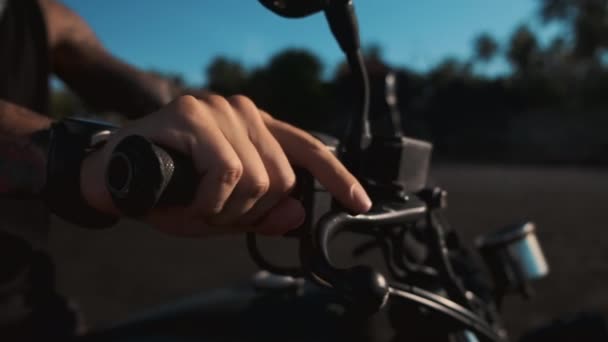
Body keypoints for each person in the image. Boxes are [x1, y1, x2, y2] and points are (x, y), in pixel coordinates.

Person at [0, 0, 372, 339]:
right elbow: (88, 154)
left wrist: (201, 119)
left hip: (38, 310)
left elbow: (118, 76)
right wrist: (84, 158)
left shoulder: (32, 13)